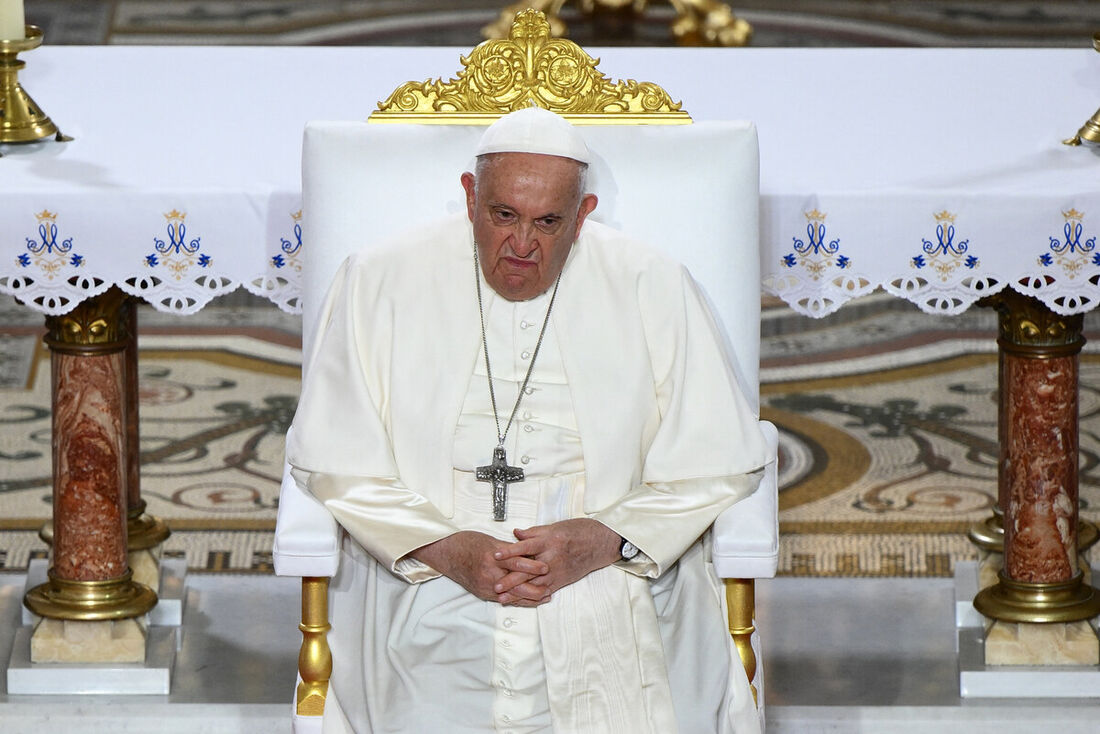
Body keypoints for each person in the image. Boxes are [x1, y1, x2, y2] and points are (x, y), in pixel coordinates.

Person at [288, 107, 768, 734]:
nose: (522, 245)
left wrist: (605, 538)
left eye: (548, 222)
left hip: (608, 573)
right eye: (503, 215)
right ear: (469, 197)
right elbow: (334, 458)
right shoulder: (379, 279)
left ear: (584, 214)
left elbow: (717, 459)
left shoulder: (652, 283)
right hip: (427, 575)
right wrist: (448, 549)